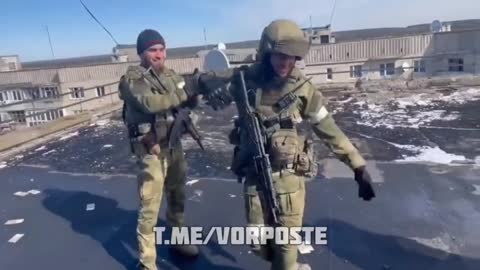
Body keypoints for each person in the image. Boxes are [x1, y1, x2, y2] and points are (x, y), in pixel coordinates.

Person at [194, 19, 376, 270]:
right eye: (280, 55)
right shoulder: (244, 80)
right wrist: (183, 92)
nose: (286, 62)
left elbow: (328, 128)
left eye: (292, 57)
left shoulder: (302, 88)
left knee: (285, 247)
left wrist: (357, 165)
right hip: (255, 177)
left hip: (289, 179)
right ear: (267, 52)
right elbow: (199, 83)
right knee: (258, 242)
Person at [118, 29, 201, 270]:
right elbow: (152, 103)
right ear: (142, 53)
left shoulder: (171, 75)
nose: (159, 54)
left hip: (173, 144)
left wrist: (195, 92)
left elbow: (186, 95)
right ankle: (147, 262)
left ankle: (177, 240)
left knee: (177, 196)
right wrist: (185, 92)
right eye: (152, 50)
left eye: (162, 49)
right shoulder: (132, 80)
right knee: (150, 206)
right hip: (150, 147)